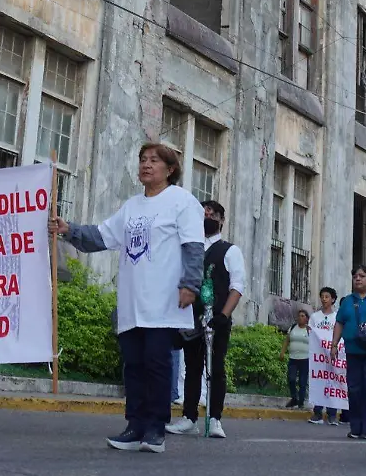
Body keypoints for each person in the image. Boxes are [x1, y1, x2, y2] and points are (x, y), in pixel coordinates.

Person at [50, 143, 204, 454]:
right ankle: (134, 426)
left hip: (163, 302)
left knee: (157, 364)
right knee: (133, 366)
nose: (146, 165)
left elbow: (193, 246)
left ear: (170, 169)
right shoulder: (132, 206)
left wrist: (190, 284)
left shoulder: (182, 201)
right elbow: (102, 236)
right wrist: (69, 230)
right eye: (143, 159)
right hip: (132, 303)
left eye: (154, 160)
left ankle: (156, 428)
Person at [164, 200, 245, 439]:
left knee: (216, 368)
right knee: (192, 368)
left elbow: (237, 286)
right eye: (204, 214)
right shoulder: (189, 249)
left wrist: (223, 315)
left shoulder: (229, 251)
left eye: (212, 214)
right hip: (190, 319)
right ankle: (189, 417)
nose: (207, 217)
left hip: (216, 319)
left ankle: (215, 418)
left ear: (221, 220)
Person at [332, 265, 366, 441]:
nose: (357, 279)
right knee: (355, 389)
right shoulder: (348, 300)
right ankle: (356, 427)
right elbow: (339, 322)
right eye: (355, 276)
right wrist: (334, 345)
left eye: (362, 276)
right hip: (353, 350)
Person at [308, 287, 341, 425]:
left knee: (333, 383)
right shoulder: (315, 317)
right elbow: (310, 333)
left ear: (333, 299)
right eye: (322, 296)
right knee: (319, 382)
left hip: (332, 356)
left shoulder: (337, 317)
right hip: (319, 356)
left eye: (327, 297)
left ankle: (332, 414)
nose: (324, 299)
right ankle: (317, 413)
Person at [282, 310, 311, 410]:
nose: (300, 318)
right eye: (299, 316)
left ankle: (301, 402)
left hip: (305, 359)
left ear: (307, 318)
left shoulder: (309, 330)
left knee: (302, 382)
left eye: (303, 316)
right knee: (291, 379)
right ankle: (294, 398)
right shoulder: (293, 327)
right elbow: (287, 340)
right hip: (293, 358)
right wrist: (282, 352)